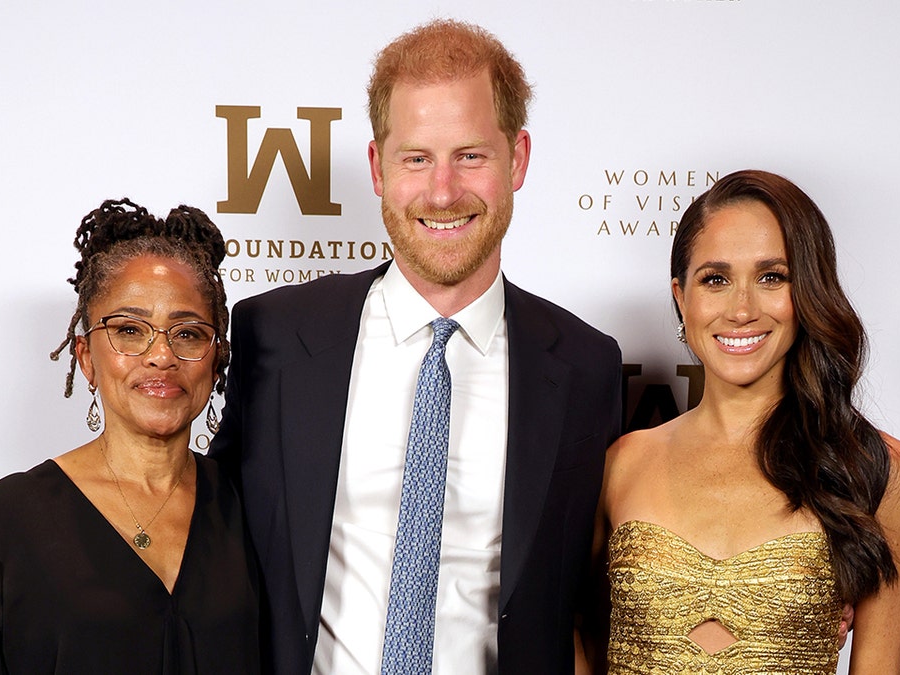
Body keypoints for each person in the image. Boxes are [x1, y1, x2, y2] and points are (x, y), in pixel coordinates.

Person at [209, 19, 622, 675]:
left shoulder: (586, 368)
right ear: (378, 167)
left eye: (471, 155)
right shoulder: (276, 337)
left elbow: (591, 604)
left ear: (517, 159)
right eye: (417, 157)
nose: (442, 191)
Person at [597, 170, 900, 674]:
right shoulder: (622, 462)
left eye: (772, 276)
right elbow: (570, 633)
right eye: (716, 279)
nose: (742, 309)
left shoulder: (879, 470)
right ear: (682, 298)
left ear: (809, 291)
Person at [0, 198, 259, 674]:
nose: (161, 356)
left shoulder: (253, 508)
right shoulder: (8, 523)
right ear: (87, 357)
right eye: (130, 330)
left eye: (187, 333)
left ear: (216, 360)